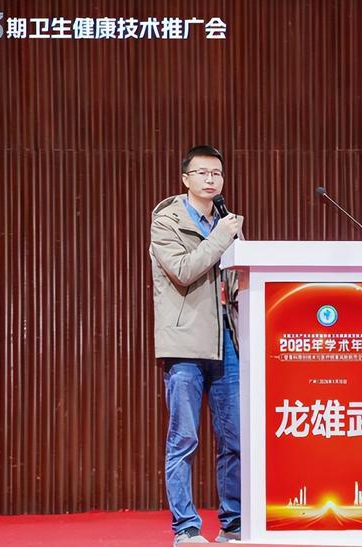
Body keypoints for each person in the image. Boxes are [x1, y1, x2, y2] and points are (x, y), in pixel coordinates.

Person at [149, 145, 244, 545]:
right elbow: (184, 271)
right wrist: (222, 237)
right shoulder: (165, 223)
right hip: (186, 344)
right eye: (202, 173)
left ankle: (234, 523)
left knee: (235, 439)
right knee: (184, 439)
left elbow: (238, 280)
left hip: (227, 341)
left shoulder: (226, 222)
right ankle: (186, 527)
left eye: (216, 173)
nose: (210, 179)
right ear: (185, 179)